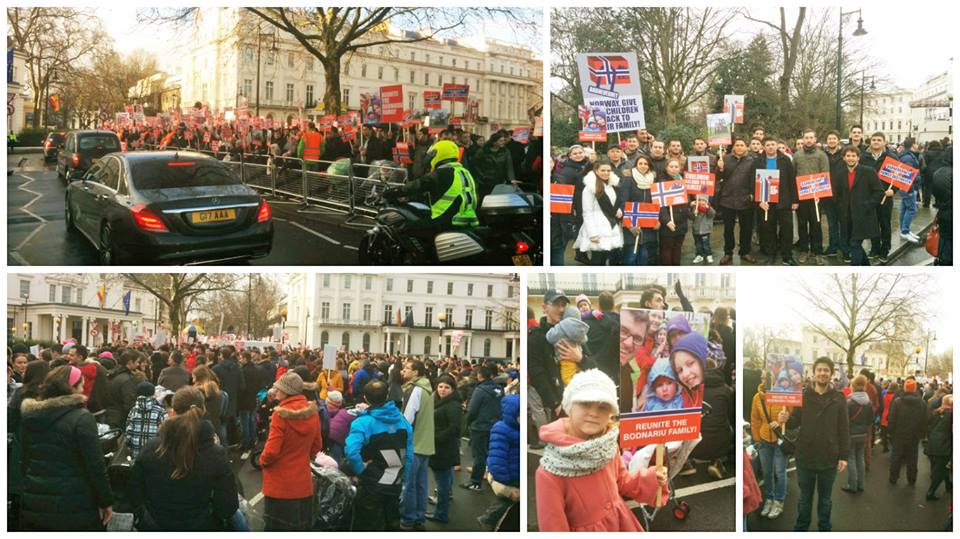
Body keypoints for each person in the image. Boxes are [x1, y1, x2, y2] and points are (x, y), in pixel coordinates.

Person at [535, 369, 668, 531]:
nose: (593, 413)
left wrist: (652, 478)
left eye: (603, 407)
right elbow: (553, 527)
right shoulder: (550, 471)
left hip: (621, 523)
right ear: (569, 406)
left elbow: (622, 481)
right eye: (585, 403)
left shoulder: (608, 446)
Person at [128, 386, 239, 530]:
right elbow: (227, 507)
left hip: (156, 524)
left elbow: (134, 491)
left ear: (173, 411)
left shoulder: (151, 447)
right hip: (201, 525)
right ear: (203, 409)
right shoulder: (216, 454)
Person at [19, 365, 114, 530]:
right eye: (81, 385)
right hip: (75, 500)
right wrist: (106, 501)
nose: (83, 389)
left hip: (35, 497)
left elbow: (25, 458)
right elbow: (95, 465)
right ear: (71, 388)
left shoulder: (31, 415)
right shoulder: (81, 418)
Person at [779, 357, 849, 532]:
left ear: (831, 374)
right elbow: (794, 422)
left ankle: (824, 529)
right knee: (805, 499)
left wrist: (844, 456)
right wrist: (785, 419)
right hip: (805, 457)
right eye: (819, 370)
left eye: (826, 370)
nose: (822, 373)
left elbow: (844, 428)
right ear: (814, 373)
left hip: (829, 457)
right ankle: (801, 529)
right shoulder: (803, 396)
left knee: (825, 500)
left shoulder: (839, 398)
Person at [345, 379, 414, 531]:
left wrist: (360, 469)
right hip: (395, 481)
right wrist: (404, 475)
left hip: (372, 484)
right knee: (391, 522)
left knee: (369, 524)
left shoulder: (362, 423)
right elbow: (409, 454)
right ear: (387, 396)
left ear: (365, 398)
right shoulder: (402, 420)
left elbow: (351, 452)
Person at [259, 372, 323, 531]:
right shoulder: (312, 412)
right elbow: (317, 445)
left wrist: (263, 460)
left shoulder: (280, 414)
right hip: (303, 482)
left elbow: (271, 451)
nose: (277, 390)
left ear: (287, 391)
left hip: (279, 485)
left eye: (279, 388)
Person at [390, 139, 479, 228]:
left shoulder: (441, 173)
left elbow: (418, 185)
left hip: (446, 221)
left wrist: (393, 192)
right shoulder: (464, 172)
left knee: (405, 228)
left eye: (432, 154)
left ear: (439, 154)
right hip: (467, 220)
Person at [528, 289, 573, 446]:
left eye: (563, 305)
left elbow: (591, 363)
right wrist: (555, 404)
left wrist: (579, 358)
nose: (561, 309)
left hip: (575, 399)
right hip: (556, 403)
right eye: (556, 304)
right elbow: (537, 373)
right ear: (544, 307)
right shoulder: (536, 336)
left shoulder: (572, 332)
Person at [835, 145, 890, 265]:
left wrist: (867, 205)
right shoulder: (840, 174)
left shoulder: (868, 171)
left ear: (858, 158)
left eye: (853, 156)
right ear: (844, 158)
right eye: (848, 156)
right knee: (854, 244)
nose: (851, 158)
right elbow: (837, 194)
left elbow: (879, 192)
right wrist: (841, 207)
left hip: (864, 215)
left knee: (854, 243)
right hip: (847, 216)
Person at [400, 359, 435, 531]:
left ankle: (408, 519)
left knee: (409, 485)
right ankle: (419, 518)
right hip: (426, 443)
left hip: (414, 443)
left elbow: (407, 419)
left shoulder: (415, 390)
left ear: (415, 373)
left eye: (407, 368)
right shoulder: (427, 389)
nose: (403, 371)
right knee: (421, 484)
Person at [750, 374, 791, 520]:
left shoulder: (785, 396)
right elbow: (755, 419)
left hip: (780, 439)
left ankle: (779, 501)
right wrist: (757, 439)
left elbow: (793, 416)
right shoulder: (757, 397)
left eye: (768, 376)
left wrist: (782, 421)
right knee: (767, 472)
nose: (765, 380)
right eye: (762, 377)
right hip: (764, 439)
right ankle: (769, 498)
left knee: (780, 472)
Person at [478, 393, 521, 531]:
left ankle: (489, 520)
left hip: (515, 473)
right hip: (509, 476)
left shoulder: (518, 429)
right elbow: (497, 457)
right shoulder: (502, 429)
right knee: (505, 502)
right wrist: (504, 480)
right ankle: (488, 520)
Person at [426, 374, 462, 524]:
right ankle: (446, 498)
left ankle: (441, 513)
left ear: (452, 389)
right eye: (440, 386)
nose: (442, 390)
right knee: (445, 477)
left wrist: (436, 437)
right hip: (443, 447)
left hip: (443, 448)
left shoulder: (453, 405)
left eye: (447, 387)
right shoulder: (441, 401)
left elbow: (455, 428)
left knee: (442, 481)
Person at [757, 137, 799, 265]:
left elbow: (792, 180)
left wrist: (794, 200)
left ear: (777, 146)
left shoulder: (785, 160)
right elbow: (754, 181)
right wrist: (759, 201)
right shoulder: (758, 161)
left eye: (773, 144)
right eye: (768, 145)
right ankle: (771, 254)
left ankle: (787, 256)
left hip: (784, 199)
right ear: (764, 147)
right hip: (766, 200)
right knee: (769, 229)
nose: (770, 147)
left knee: (787, 229)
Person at [463, 363, 505, 491]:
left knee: (479, 455)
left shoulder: (479, 390)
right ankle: (491, 476)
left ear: (479, 375)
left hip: (480, 426)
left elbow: (472, 410)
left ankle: (475, 482)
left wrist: (467, 422)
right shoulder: (499, 389)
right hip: (496, 425)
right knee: (492, 453)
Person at [716, 138, 758, 265]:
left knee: (746, 229)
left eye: (742, 145)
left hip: (746, 199)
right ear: (733, 147)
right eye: (737, 145)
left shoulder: (752, 160)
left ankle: (745, 251)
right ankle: (728, 252)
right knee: (728, 229)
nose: (739, 147)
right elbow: (718, 177)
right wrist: (720, 169)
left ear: (746, 147)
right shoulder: (725, 159)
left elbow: (755, 179)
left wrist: (752, 194)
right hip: (728, 199)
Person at [574, 160, 623, 265]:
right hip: (596, 227)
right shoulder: (589, 188)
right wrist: (592, 234)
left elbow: (614, 203)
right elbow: (587, 212)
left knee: (606, 258)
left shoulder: (612, 185)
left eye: (608, 170)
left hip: (610, 225)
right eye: (603, 170)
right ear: (596, 171)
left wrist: (618, 210)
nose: (606, 173)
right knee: (597, 260)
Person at [793, 128, 830, 265]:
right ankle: (804, 250)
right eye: (806, 138)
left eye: (811, 138)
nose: (808, 140)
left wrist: (820, 193)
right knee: (802, 225)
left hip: (816, 197)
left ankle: (818, 251)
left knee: (816, 224)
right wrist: (795, 197)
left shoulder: (821, 155)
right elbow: (793, 175)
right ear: (803, 139)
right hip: (801, 196)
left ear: (815, 139)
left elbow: (825, 175)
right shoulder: (797, 155)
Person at [859, 132, 896, 262]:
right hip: (870, 197)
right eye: (874, 139)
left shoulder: (891, 157)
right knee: (872, 224)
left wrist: (894, 190)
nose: (876, 142)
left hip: (886, 196)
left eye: (879, 140)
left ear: (884, 142)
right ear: (870, 142)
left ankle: (885, 250)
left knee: (885, 224)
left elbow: (899, 177)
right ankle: (875, 248)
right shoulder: (863, 157)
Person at [619, 154, 660, 265]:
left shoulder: (653, 181)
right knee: (631, 257)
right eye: (640, 163)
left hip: (647, 225)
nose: (643, 166)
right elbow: (623, 203)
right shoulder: (629, 180)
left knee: (643, 256)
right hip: (632, 224)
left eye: (646, 164)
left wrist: (656, 220)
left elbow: (656, 202)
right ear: (636, 165)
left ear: (649, 166)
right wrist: (629, 225)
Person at [887, 378, 927, 485]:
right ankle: (912, 478)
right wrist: (922, 434)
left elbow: (892, 419)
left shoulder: (897, 402)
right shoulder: (922, 403)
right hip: (914, 435)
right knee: (912, 458)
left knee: (896, 457)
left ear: (905, 388)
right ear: (915, 389)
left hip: (898, 434)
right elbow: (924, 421)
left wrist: (890, 432)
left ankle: (893, 477)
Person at [842, 375, 874, 493]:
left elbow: (844, 421)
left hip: (851, 434)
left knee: (851, 458)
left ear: (853, 386)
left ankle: (852, 485)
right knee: (860, 458)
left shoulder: (849, 402)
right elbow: (870, 420)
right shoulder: (869, 403)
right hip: (863, 433)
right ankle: (861, 484)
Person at [657, 158, 691, 266]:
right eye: (671, 166)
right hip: (668, 222)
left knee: (677, 248)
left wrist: (691, 210)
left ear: (680, 168)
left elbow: (686, 201)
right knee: (666, 249)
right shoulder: (661, 182)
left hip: (681, 222)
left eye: (676, 166)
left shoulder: (683, 181)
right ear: (666, 168)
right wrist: (667, 221)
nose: (673, 169)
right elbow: (659, 204)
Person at [546, 305, 590, 385]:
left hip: (565, 357)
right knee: (579, 374)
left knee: (567, 378)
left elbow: (550, 337)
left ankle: (571, 387)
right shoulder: (580, 328)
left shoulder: (561, 327)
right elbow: (585, 340)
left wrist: (553, 329)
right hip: (579, 355)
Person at [125, 381, 168, 459]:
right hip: (154, 453)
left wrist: (129, 446)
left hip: (137, 453)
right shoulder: (160, 411)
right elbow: (166, 433)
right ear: (153, 394)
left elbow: (128, 432)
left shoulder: (133, 410)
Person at [212, 346, 244, 446]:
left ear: (221, 355)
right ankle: (233, 443)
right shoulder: (237, 368)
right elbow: (242, 386)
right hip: (233, 399)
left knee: (221, 425)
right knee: (230, 422)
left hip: (219, 399)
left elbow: (212, 385)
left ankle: (224, 447)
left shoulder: (216, 368)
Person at [925, 394, 952, 500]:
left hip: (933, 442)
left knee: (940, 466)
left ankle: (948, 485)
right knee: (942, 469)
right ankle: (930, 492)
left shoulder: (936, 412)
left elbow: (928, 425)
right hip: (944, 444)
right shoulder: (951, 414)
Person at [896, 138, 922, 243]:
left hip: (906, 186)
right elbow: (907, 174)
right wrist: (910, 190)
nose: (917, 145)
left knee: (905, 209)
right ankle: (905, 231)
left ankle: (904, 230)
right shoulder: (908, 157)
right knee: (911, 209)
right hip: (908, 187)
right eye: (916, 143)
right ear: (913, 145)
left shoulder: (907, 155)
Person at [191, 365, 224, 440]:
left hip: (202, 423)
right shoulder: (214, 387)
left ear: (199, 377)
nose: (193, 380)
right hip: (215, 421)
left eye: (194, 377)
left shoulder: (199, 391)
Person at [931, 147, 952, 265]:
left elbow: (934, 192)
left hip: (943, 212)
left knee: (944, 239)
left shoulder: (938, 172)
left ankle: (942, 260)